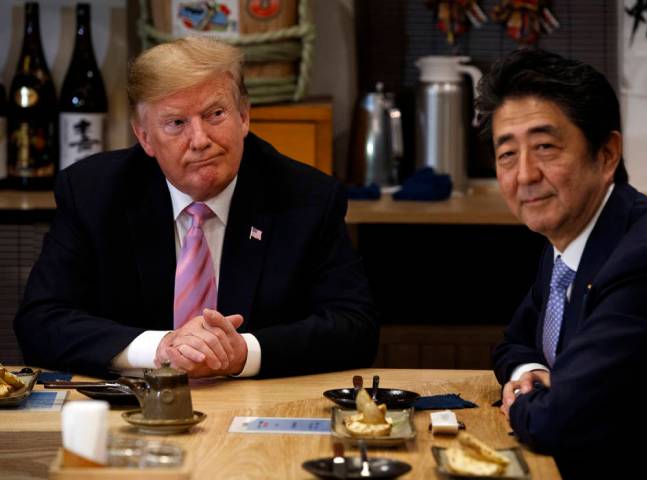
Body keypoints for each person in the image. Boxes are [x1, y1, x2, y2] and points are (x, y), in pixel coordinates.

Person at [14, 37, 378, 379]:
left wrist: (241, 353)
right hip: (132, 412)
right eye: (176, 123)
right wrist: (160, 347)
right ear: (144, 137)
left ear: (244, 117)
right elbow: (40, 322)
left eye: (215, 114)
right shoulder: (93, 193)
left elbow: (355, 327)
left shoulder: (306, 198)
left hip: (255, 410)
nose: (200, 140)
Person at [477, 48, 647, 478]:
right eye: (507, 154)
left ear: (606, 154)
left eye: (545, 147)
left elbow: (558, 422)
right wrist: (532, 373)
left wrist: (522, 400)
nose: (526, 175)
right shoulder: (571, 233)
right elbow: (514, 341)